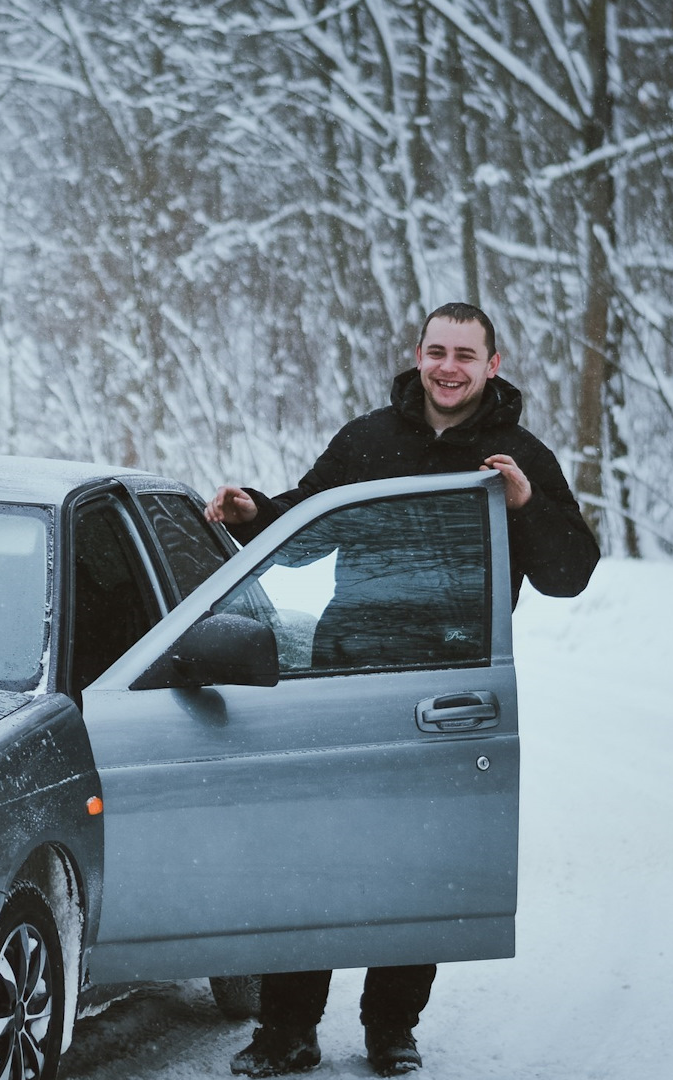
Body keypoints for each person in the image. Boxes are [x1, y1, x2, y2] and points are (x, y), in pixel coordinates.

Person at [204, 301, 599, 1078]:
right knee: (312, 856)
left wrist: (523, 504)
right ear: (418, 355)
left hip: (446, 686)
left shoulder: (519, 456)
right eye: (437, 350)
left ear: (494, 363)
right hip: (345, 670)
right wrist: (254, 513)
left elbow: (570, 574)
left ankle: (391, 1030)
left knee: (419, 862)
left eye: (466, 354)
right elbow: (301, 519)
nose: (449, 367)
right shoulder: (368, 440)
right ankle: (287, 1031)